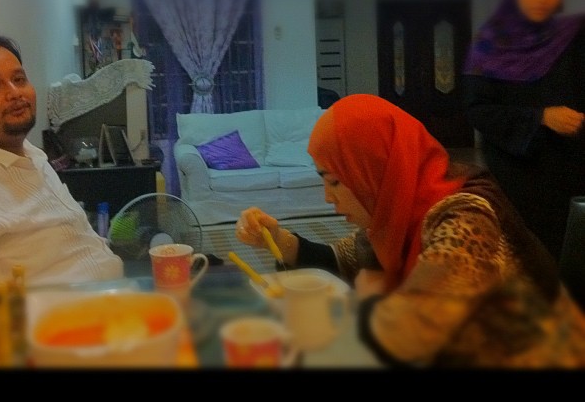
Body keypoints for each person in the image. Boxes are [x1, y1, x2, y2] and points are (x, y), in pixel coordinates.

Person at [236, 94, 585, 368]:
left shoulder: (464, 217)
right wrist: (278, 240)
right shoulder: (398, 210)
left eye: (336, 181)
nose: (328, 196)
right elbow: (343, 260)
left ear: (371, 170)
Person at [462, 0, 585, 264]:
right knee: (528, 257)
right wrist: (540, 117)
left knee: (574, 252)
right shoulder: (489, 44)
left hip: (574, 167)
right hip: (520, 174)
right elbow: (478, 110)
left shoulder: (573, 34)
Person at [0, 34, 123, 293]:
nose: (14, 93)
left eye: (18, 80)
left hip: (115, 304)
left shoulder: (33, 155)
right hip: (60, 327)